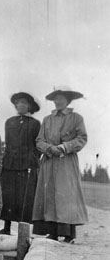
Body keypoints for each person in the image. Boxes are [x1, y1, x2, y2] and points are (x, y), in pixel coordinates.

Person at [32, 87, 88, 243]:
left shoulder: (76, 118)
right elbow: (39, 140)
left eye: (61, 98)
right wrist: (49, 148)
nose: (58, 102)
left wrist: (64, 147)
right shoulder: (47, 120)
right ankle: (52, 232)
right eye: (56, 99)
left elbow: (82, 138)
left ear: (68, 101)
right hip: (49, 161)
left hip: (66, 161)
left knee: (66, 195)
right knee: (49, 194)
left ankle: (69, 233)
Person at [0, 92, 41, 235]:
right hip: (10, 162)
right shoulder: (9, 122)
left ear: (29, 106)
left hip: (27, 163)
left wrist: (32, 159)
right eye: (19, 102)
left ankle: (24, 229)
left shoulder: (35, 123)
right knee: (8, 194)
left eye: (24, 103)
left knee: (25, 196)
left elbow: (37, 145)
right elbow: (8, 142)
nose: (21, 105)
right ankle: (6, 226)